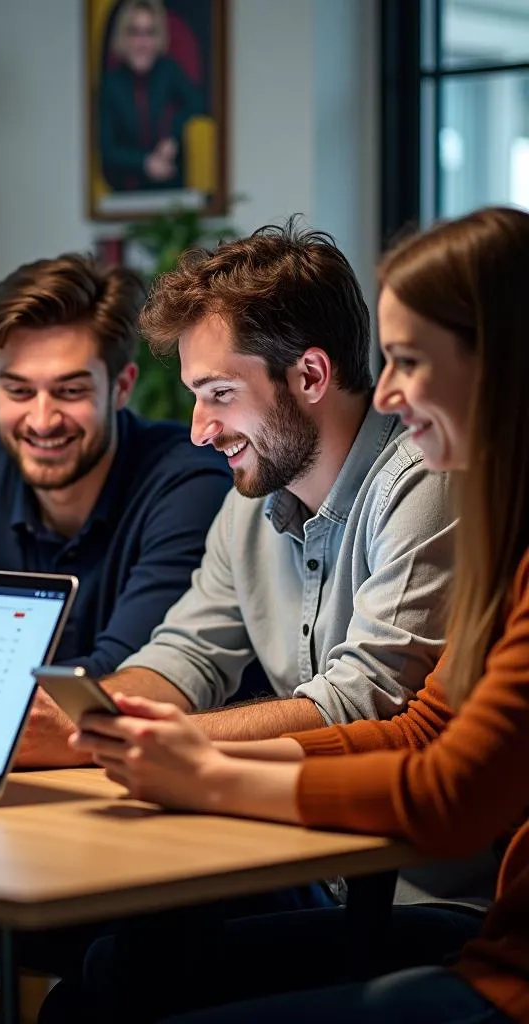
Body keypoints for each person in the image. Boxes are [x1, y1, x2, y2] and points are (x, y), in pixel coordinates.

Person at [72, 206, 529, 1024]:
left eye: (410, 361)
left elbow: (447, 786)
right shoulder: (500, 532)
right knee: (115, 975)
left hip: (462, 931)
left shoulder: (438, 487)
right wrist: (129, 728)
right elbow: (423, 728)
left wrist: (206, 766)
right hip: (337, 879)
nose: (386, 389)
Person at [0, 251, 232, 770]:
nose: (42, 419)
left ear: (121, 387)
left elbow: (119, 677)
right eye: (18, 390)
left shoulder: (189, 481)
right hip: (4, 771)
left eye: (70, 391)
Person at [99, 0, 205, 192]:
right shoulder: (110, 85)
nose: (142, 43)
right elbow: (107, 149)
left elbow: (198, 103)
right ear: (123, 37)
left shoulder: (168, 71)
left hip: (171, 185)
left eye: (149, 32)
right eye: (134, 32)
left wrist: (172, 137)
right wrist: (145, 162)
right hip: (125, 190)